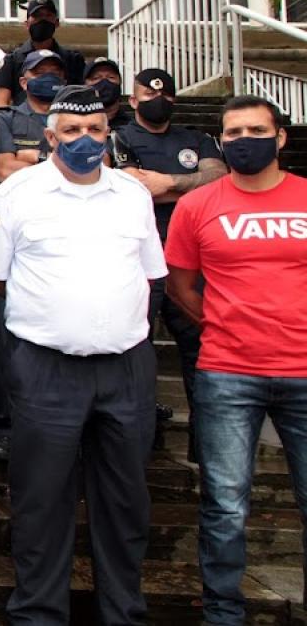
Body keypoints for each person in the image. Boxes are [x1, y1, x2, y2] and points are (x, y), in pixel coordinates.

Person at [0, 84, 166, 625]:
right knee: (41, 499)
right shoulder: (16, 194)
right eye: (72, 131)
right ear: (50, 136)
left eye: (96, 131)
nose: (85, 140)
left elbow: (153, 274)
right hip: (45, 367)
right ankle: (38, 612)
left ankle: (123, 612)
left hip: (126, 368)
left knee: (126, 499)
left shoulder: (132, 194)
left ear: (109, 135)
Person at [162, 95, 307, 625]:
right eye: (233, 132)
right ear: (220, 141)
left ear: (280, 137)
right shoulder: (198, 206)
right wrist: (220, 323)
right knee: (224, 504)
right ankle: (223, 612)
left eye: (255, 129)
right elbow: (179, 283)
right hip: (228, 370)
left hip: (304, 370)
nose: (244, 139)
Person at [113, 68, 227, 462]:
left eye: (164, 94)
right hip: (141, 259)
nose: (157, 99)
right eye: (147, 93)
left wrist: (169, 183)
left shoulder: (197, 138)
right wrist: (188, 183)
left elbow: (219, 178)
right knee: (135, 354)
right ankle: (137, 449)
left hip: (192, 260)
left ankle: (205, 448)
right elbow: (135, 187)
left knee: (201, 350)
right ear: (133, 100)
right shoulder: (121, 135)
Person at [0, 0, 86, 109]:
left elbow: (83, 98)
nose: (43, 20)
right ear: (26, 24)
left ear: (57, 23)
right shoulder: (12, 60)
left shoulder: (73, 60)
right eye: (37, 16)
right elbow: (0, 105)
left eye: (48, 16)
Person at [0, 49, 64, 183]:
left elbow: (92, 168)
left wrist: (39, 157)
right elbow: (5, 171)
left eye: (54, 73)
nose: (48, 77)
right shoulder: (5, 118)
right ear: (24, 83)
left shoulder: (77, 120)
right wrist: (63, 166)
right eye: (40, 73)